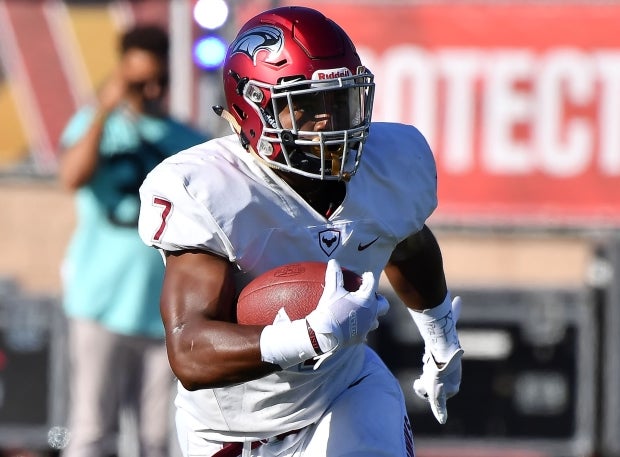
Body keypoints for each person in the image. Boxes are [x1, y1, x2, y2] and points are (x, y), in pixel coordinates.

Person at [138, 6, 463, 457]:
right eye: (308, 106)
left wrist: (441, 333)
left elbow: (407, 242)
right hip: (233, 431)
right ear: (252, 108)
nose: (331, 122)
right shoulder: (211, 190)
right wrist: (307, 336)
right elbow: (189, 352)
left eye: (340, 100)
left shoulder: (384, 167)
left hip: (344, 391)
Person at [58, 24, 207, 457]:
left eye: (162, 80)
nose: (154, 89)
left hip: (166, 310)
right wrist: (103, 112)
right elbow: (71, 176)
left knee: (157, 439)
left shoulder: (188, 141)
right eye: (141, 81)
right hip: (100, 301)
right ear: (122, 73)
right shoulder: (94, 125)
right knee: (91, 430)